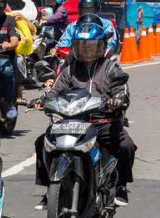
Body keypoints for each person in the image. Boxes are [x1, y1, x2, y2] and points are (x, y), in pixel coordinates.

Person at [33, 14, 136, 207]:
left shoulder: (110, 67)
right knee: (42, 143)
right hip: (71, 122)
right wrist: (43, 100)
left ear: (101, 45)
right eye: (81, 45)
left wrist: (117, 101)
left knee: (126, 146)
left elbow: (122, 90)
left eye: (91, 44)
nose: (86, 49)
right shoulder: (70, 69)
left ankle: (121, 185)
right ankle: (50, 189)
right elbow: (55, 90)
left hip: (103, 122)